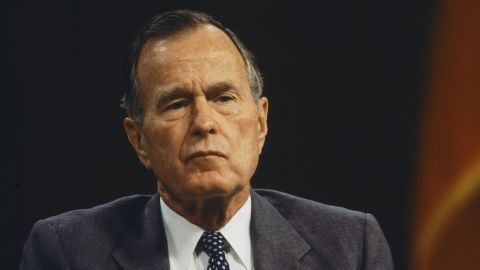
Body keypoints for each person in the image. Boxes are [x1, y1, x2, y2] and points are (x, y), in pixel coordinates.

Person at [20, 10, 394, 270]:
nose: (204, 123)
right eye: (177, 104)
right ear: (139, 141)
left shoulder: (350, 246)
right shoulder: (67, 251)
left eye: (223, 98)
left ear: (261, 122)